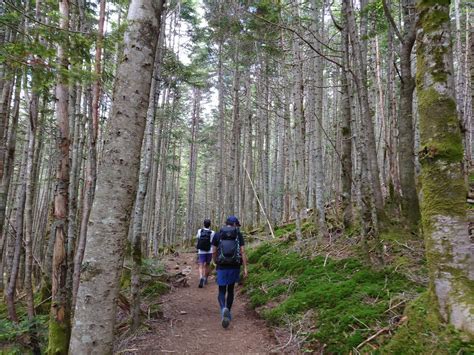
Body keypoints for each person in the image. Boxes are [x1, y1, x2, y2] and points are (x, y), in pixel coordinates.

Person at [212, 215, 248, 329]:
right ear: (234, 224)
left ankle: (223, 309)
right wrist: (245, 268)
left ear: (226, 223)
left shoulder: (218, 234)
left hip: (222, 265)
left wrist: (215, 261)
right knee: (231, 289)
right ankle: (228, 310)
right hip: (235, 265)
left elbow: (213, 250)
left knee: (221, 290)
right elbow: (242, 251)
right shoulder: (238, 235)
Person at [195, 218, 215, 288]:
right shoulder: (212, 232)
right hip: (209, 250)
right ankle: (206, 278)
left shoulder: (200, 231)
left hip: (201, 251)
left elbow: (197, 238)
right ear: (210, 225)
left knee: (201, 264)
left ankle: (201, 277)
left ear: (204, 224)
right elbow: (212, 242)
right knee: (207, 264)